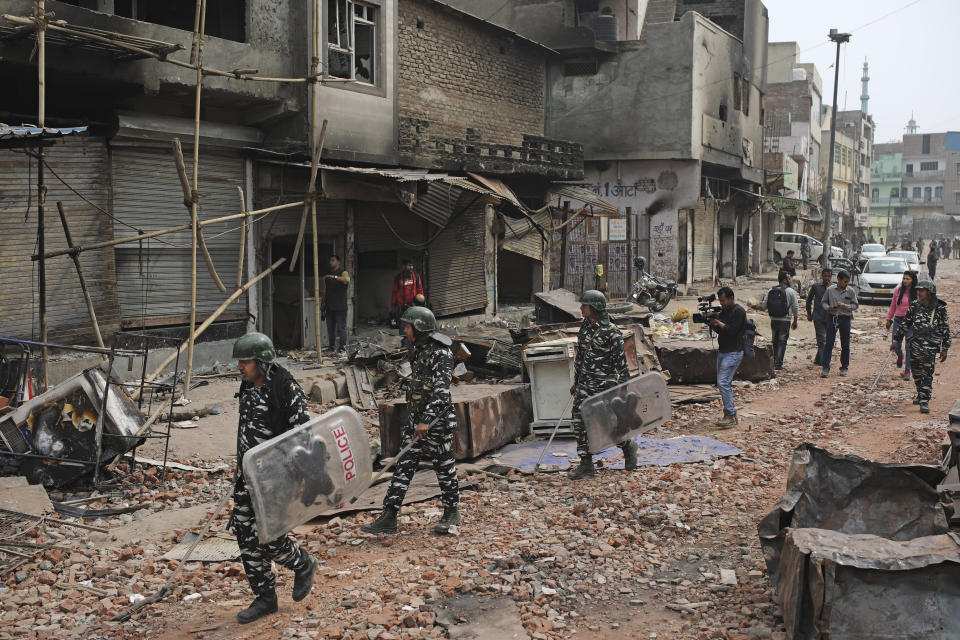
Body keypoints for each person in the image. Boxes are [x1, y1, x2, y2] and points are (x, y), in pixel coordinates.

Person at [230, 333, 318, 623]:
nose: (240, 367)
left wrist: (293, 478)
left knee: (268, 539)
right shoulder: (246, 386)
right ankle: (265, 597)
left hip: (275, 480)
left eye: (246, 361)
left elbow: (302, 436)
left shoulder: (284, 388)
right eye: (240, 361)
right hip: (247, 477)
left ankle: (302, 563)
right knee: (245, 536)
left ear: (262, 361)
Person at [361, 307, 460, 535]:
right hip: (417, 420)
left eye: (408, 326)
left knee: (444, 467)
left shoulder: (440, 354)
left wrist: (426, 420)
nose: (405, 331)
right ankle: (389, 516)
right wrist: (417, 420)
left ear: (419, 328)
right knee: (403, 466)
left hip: (437, 422)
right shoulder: (419, 350)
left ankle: (452, 512)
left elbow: (441, 392)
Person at [566, 290, 639, 479]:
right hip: (585, 385)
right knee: (578, 422)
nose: (581, 308)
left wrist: (623, 388)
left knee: (608, 425)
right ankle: (586, 463)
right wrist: (576, 382)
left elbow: (621, 364)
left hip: (604, 386)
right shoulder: (585, 327)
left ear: (594, 308)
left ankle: (628, 447)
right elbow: (580, 358)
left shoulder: (611, 332)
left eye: (584, 305)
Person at [892, 280, 950, 413]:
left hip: (930, 346)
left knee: (927, 374)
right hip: (915, 344)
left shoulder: (939, 308)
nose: (918, 292)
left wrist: (945, 348)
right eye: (918, 290)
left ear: (929, 292)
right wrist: (896, 340)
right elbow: (905, 324)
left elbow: (945, 329)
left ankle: (924, 401)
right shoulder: (915, 305)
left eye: (922, 290)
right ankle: (920, 392)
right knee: (916, 373)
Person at [707, 287, 746, 428]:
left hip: (734, 351)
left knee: (723, 382)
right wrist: (712, 324)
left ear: (731, 298)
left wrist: (718, 322)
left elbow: (732, 331)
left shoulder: (739, 311)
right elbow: (722, 331)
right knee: (723, 383)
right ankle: (729, 415)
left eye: (723, 300)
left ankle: (730, 414)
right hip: (724, 350)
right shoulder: (724, 311)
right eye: (720, 301)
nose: (721, 303)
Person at [820, 270, 859, 377]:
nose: (846, 284)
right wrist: (829, 308)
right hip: (832, 317)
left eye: (847, 282)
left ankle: (844, 367)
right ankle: (825, 368)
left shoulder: (850, 291)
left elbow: (855, 305)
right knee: (829, 343)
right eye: (844, 282)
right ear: (838, 280)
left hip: (845, 318)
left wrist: (845, 306)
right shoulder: (830, 290)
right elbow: (823, 302)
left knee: (845, 344)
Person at [761, 271, 799, 371]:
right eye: (789, 278)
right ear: (784, 280)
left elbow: (764, 305)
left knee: (775, 341)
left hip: (773, 319)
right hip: (785, 320)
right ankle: (778, 365)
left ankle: (773, 363)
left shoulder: (771, 290)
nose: (790, 280)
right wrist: (795, 320)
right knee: (782, 342)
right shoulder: (791, 291)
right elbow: (795, 307)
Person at [886, 271, 918, 381]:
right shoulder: (898, 290)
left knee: (909, 347)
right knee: (895, 344)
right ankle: (900, 355)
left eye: (907, 279)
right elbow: (893, 306)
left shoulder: (917, 292)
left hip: (911, 322)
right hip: (898, 320)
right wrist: (888, 319)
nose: (905, 281)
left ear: (912, 280)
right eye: (904, 278)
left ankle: (907, 370)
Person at [322, 255, 350, 352]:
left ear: (339, 262)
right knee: (330, 329)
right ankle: (331, 347)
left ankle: (342, 347)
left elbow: (347, 280)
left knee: (341, 329)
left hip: (340, 306)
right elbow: (326, 290)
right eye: (330, 260)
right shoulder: (328, 275)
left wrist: (333, 277)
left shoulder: (343, 272)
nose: (331, 262)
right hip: (329, 307)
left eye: (333, 260)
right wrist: (323, 303)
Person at [806, 267, 833, 367]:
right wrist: (809, 314)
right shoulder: (816, 286)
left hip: (830, 318)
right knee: (822, 340)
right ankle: (823, 362)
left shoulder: (834, 287)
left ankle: (818, 359)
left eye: (829, 276)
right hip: (818, 317)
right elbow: (808, 300)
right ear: (822, 276)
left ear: (831, 277)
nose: (827, 278)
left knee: (826, 340)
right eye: (825, 276)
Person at [390, 259, 424, 331]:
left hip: (413, 306)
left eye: (412, 265)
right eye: (409, 265)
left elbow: (420, 290)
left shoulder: (416, 276)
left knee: (414, 326)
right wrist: (393, 307)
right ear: (403, 266)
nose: (411, 267)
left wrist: (420, 304)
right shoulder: (398, 278)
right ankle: (404, 340)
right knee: (403, 328)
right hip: (401, 307)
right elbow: (394, 292)